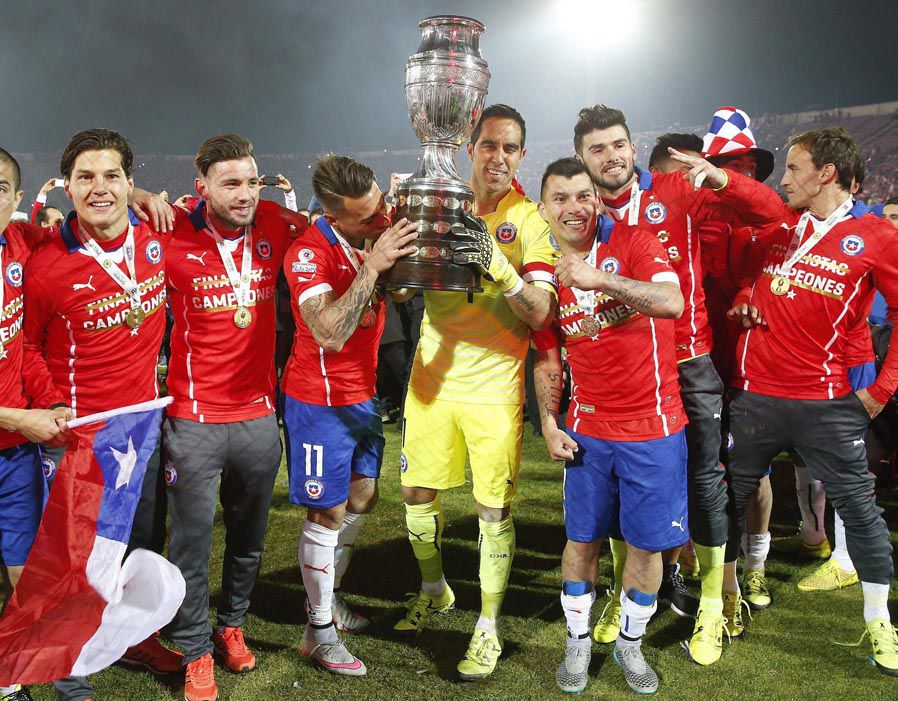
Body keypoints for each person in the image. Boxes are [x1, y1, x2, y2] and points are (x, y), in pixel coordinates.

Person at [573, 104, 783, 665]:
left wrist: (721, 176)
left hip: (686, 362)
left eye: (617, 144)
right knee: (620, 486)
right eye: (597, 149)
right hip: (618, 369)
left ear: (632, 145)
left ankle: (714, 602)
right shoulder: (581, 209)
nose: (610, 156)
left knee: (705, 483)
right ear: (581, 158)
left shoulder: (677, 188)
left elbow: (771, 212)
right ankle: (627, 593)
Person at [726, 127, 898, 675]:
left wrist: (881, 389)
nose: (785, 178)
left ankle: (879, 623)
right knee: (725, 501)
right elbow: (746, 279)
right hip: (754, 397)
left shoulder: (874, 235)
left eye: (796, 168)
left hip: (827, 402)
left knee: (863, 515)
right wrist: (746, 297)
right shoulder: (778, 227)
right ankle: (721, 602)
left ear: (826, 173)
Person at [395, 104, 558, 681]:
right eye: (490, 145)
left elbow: (540, 314)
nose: (499, 157)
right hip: (433, 379)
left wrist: (499, 267)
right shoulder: (438, 204)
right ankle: (435, 589)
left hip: (495, 385)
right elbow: (399, 289)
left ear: (521, 155)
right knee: (415, 494)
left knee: (492, 509)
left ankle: (487, 626)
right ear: (469, 147)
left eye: (511, 148)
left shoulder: (530, 219)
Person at [21, 128, 179, 701]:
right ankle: (69, 667)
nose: (99, 188)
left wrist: (151, 201)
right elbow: (28, 346)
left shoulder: (161, 233)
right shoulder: (45, 263)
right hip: (81, 436)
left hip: (142, 426)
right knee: (74, 557)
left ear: (131, 183)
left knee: (137, 540)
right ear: (67, 186)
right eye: (85, 177)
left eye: (111, 176)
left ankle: (132, 635)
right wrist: (53, 407)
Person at [162, 134, 309, 701]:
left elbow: (339, 228)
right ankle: (195, 650)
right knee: (192, 545)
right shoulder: (170, 231)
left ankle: (232, 625)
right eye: (231, 184)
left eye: (252, 181)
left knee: (250, 539)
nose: (246, 194)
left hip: (257, 420)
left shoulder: (274, 222)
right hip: (194, 421)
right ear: (202, 189)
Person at [532, 157, 686, 695]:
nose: (574, 207)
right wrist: (549, 424)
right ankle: (577, 643)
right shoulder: (545, 276)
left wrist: (599, 279)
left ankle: (629, 644)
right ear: (543, 207)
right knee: (582, 540)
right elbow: (547, 358)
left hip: (654, 427)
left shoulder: (638, 242)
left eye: (582, 195)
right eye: (561, 198)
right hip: (588, 432)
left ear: (596, 200)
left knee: (645, 549)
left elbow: (672, 300)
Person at [281, 154, 417, 675]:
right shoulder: (308, 254)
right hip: (317, 399)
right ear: (334, 217)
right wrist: (376, 264)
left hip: (360, 396)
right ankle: (317, 631)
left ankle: (329, 598)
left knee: (364, 496)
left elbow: (402, 290)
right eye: (367, 218)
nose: (381, 221)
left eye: (380, 207)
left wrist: (394, 260)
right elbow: (331, 332)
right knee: (328, 512)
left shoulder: (371, 231)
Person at [0, 148, 70, 701]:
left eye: (0, 188)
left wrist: (141, 195)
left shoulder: (20, 243)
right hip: (15, 428)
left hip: (13, 451)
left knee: (24, 568)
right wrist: (17, 415)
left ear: (18, 200)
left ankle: (12, 677)